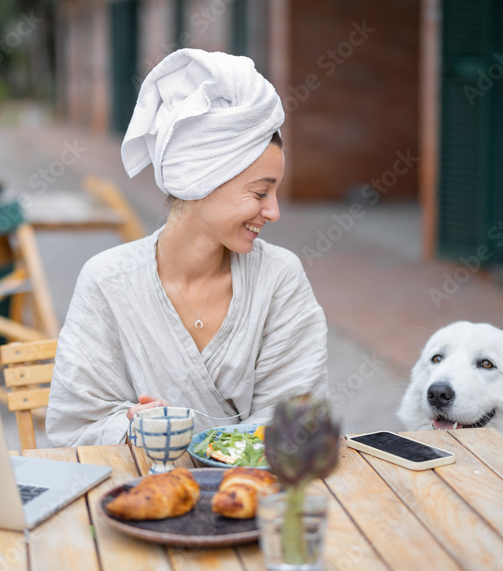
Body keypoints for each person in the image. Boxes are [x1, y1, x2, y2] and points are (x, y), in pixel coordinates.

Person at [46, 49, 329, 447]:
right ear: (202, 180)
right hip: (141, 498)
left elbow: (297, 421)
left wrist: (181, 439)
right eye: (261, 192)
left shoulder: (279, 278)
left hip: (251, 496)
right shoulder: (107, 280)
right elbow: (74, 427)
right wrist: (130, 426)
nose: (274, 211)